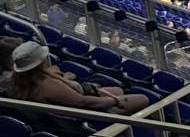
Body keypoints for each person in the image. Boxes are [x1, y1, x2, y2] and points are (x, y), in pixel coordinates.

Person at [8, 39, 142, 114]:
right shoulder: (48, 85)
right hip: (84, 113)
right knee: (143, 98)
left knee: (118, 90)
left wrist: (64, 79)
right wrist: (115, 101)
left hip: (70, 106)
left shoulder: (18, 80)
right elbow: (83, 102)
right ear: (39, 63)